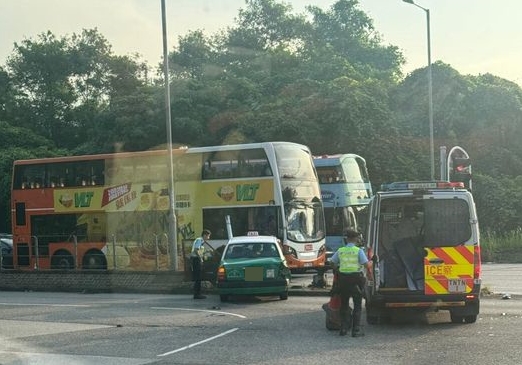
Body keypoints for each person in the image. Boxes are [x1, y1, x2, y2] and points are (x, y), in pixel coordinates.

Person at [330, 229, 373, 337]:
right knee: (357, 305)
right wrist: (372, 261)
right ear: (355, 239)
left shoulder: (340, 250)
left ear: (347, 239)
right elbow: (366, 265)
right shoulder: (358, 251)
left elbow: (332, 262)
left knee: (344, 305)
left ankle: (343, 329)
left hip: (343, 281)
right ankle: (356, 330)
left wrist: (338, 270)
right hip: (355, 281)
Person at [190, 229, 211, 299]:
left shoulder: (201, 242)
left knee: (199, 277)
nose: (208, 238)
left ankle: (198, 293)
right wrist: (200, 258)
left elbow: (200, 251)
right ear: (205, 235)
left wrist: (207, 252)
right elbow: (196, 250)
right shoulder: (199, 240)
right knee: (198, 278)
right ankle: (197, 294)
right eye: (208, 236)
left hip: (197, 259)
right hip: (196, 260)